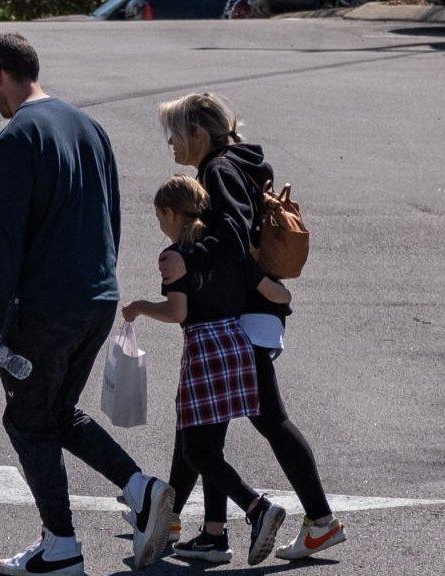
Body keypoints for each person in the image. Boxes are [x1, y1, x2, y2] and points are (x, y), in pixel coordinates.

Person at [0, 32, 174, 575]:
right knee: (55, 413)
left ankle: (62, 545)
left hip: (45, 306)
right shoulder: (91, 128)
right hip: (95, 297)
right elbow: (113, 215)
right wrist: (104, 282)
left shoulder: (16, 138)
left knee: (28, 421)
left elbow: (4, 237)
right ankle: (139, 490)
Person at [157, 92, 348, 561]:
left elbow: (232, 236)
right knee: (205, 421)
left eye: (175, 135)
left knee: (260, 419)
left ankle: (316, 521)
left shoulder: (218, 170)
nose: (171, 145)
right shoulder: (236, 164)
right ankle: (200, 528)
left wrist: (188, 258)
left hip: (242, 314)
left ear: (199, 134)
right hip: (245, 312)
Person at [123, 175, 291, 565]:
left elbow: (177, 311)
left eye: (159, 217)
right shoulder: (226, 247)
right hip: (237, 344)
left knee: (198, 450)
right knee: (204, 445)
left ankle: (257, 508)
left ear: (169, 212)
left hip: (204, 350)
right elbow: (273, 292)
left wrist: (140, 307)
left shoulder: (174, 256)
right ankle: (212, 535)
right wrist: (285, 299)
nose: (160, 225)